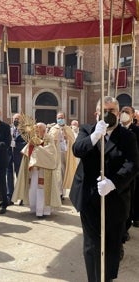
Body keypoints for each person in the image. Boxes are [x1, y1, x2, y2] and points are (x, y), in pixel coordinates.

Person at [69, 96, 139, 282]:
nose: (109, 114)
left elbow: (132, 164)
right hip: (89, 197)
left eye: (113, 111)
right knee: (91, 245)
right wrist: (93, 137)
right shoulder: (87, 129)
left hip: (115, 197)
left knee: (111, 245)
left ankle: (107, 278)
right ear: (97, 113)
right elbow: (77, 150)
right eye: (105, 111)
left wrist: (113, 182)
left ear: (119, 113)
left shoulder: (127, 136)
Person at [12, 122, 61, 218]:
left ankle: (43, 211)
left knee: (42, 190)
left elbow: (51, 152)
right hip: (34, 170)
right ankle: (34, 208)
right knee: (33, 189)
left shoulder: (49, 138)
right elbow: (27, 151)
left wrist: (37, 149)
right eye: (36, 130)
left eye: (39, 130)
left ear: (44, 130)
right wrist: (31, 146)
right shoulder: (34, 139)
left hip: (44, 170)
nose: (37, 132)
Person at [49, 111, 77, 200]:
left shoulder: (68, 129)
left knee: (65, 172)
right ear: (56, 119)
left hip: (66, 153)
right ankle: (59, 193)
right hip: (57, 153)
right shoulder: (53, 129)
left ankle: (63, 192)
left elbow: (73, 140)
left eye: (61, 118)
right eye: (58, 118)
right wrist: (55, 139)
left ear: (64, 118)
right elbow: (49, 140)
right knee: (58, 173)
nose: (60, 119)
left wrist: (67, 138)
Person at [120, 106, 139, 233]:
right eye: (122, 112)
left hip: (134, 170)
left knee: (133, 196)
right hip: (119, 170)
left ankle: (134, 218)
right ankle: (123, 227)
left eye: (127, 112)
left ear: (132, 115)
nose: (124, 114)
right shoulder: (116, 129)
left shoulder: (137, 130)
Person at [6, 113, 26, 205]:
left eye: (18, 119)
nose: (16, 121)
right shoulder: (9, 130)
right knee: (9, 177)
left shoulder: (25, 131)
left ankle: (22, 196)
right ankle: (10, 196)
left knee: (20, 177)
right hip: (9, 156)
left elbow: (27, 144)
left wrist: (17, 145)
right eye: (14, 119)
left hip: (20, 156)